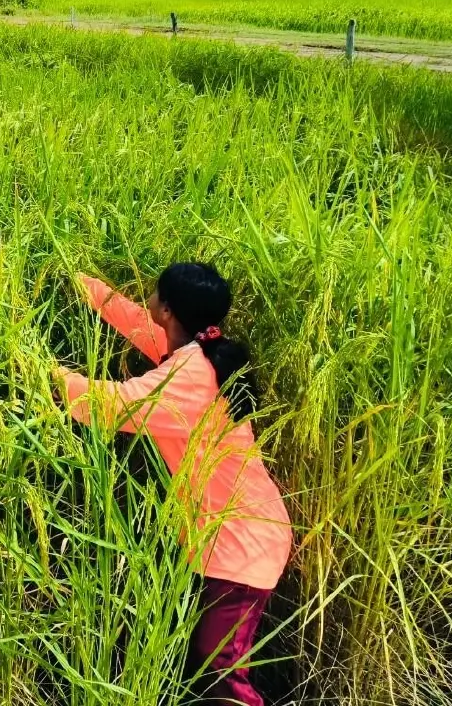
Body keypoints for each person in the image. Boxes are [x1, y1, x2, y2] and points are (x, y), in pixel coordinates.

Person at [54, 263, 292, 706]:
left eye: (154, 292)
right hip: (234, 535)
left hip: (243, 540)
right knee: (209, 664)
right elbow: (131, 319)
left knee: (220, 670)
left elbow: (117, 405)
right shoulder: (195, 351)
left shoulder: (191, 376)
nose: (147, 299)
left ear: (167, 308)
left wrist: (44, 374)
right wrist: (78, 278)